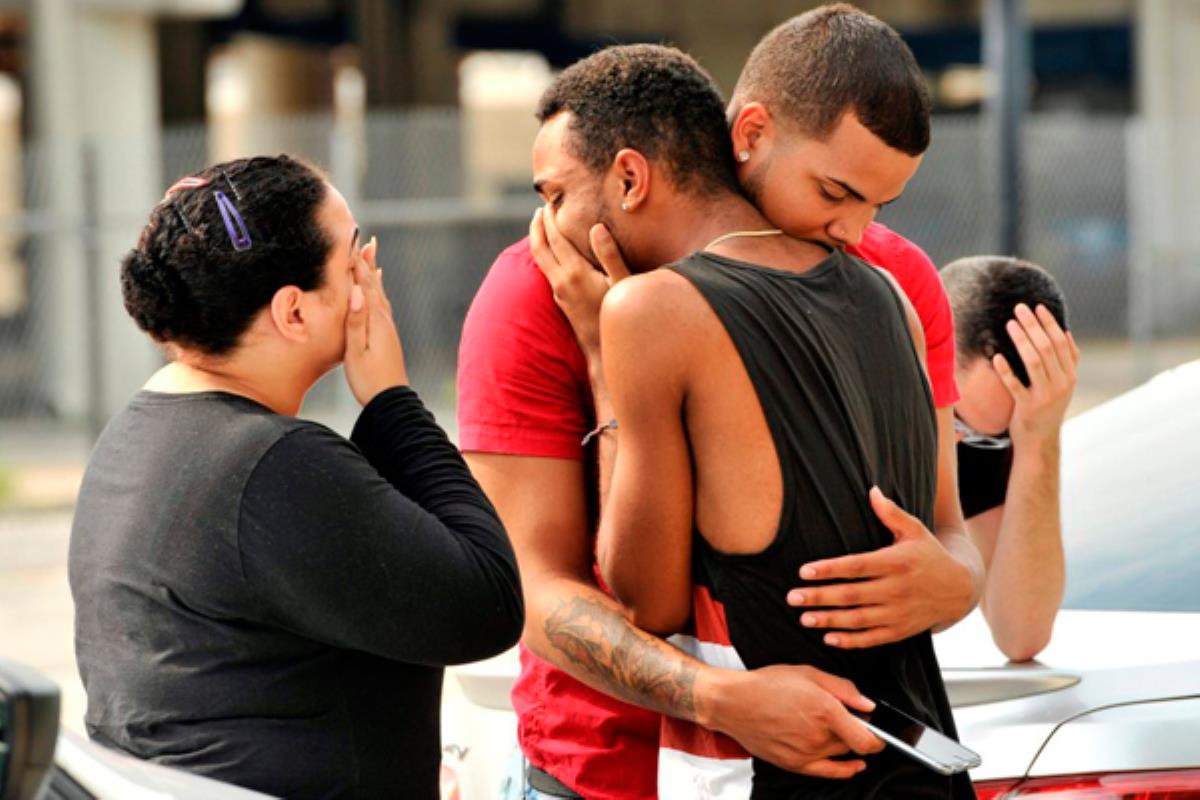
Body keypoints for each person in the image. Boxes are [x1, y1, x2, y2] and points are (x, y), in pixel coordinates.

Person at [460, 6, 982, 799]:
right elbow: (534, 589)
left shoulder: (890, 277)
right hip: (617, 766)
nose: (853, 229)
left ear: (632, 177)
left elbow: (946, 532)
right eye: (836, 191)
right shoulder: (534, 290)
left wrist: (959, 582)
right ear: (749, 134)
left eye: (878, 203)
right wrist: (720, 700)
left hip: (791, 765)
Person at [69, 155, 524, 799]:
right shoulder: (271, 465)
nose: (369, 280)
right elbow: (486, 604)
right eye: (350, 263)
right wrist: (393, 400)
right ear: (294, 312)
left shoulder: (136, 434)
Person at [942, 256, 1077, 661]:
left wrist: (1038, 441)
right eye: (955, 419)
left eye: (985, 438)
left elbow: (1021, 634)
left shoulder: (990, 435)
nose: (955, 442)